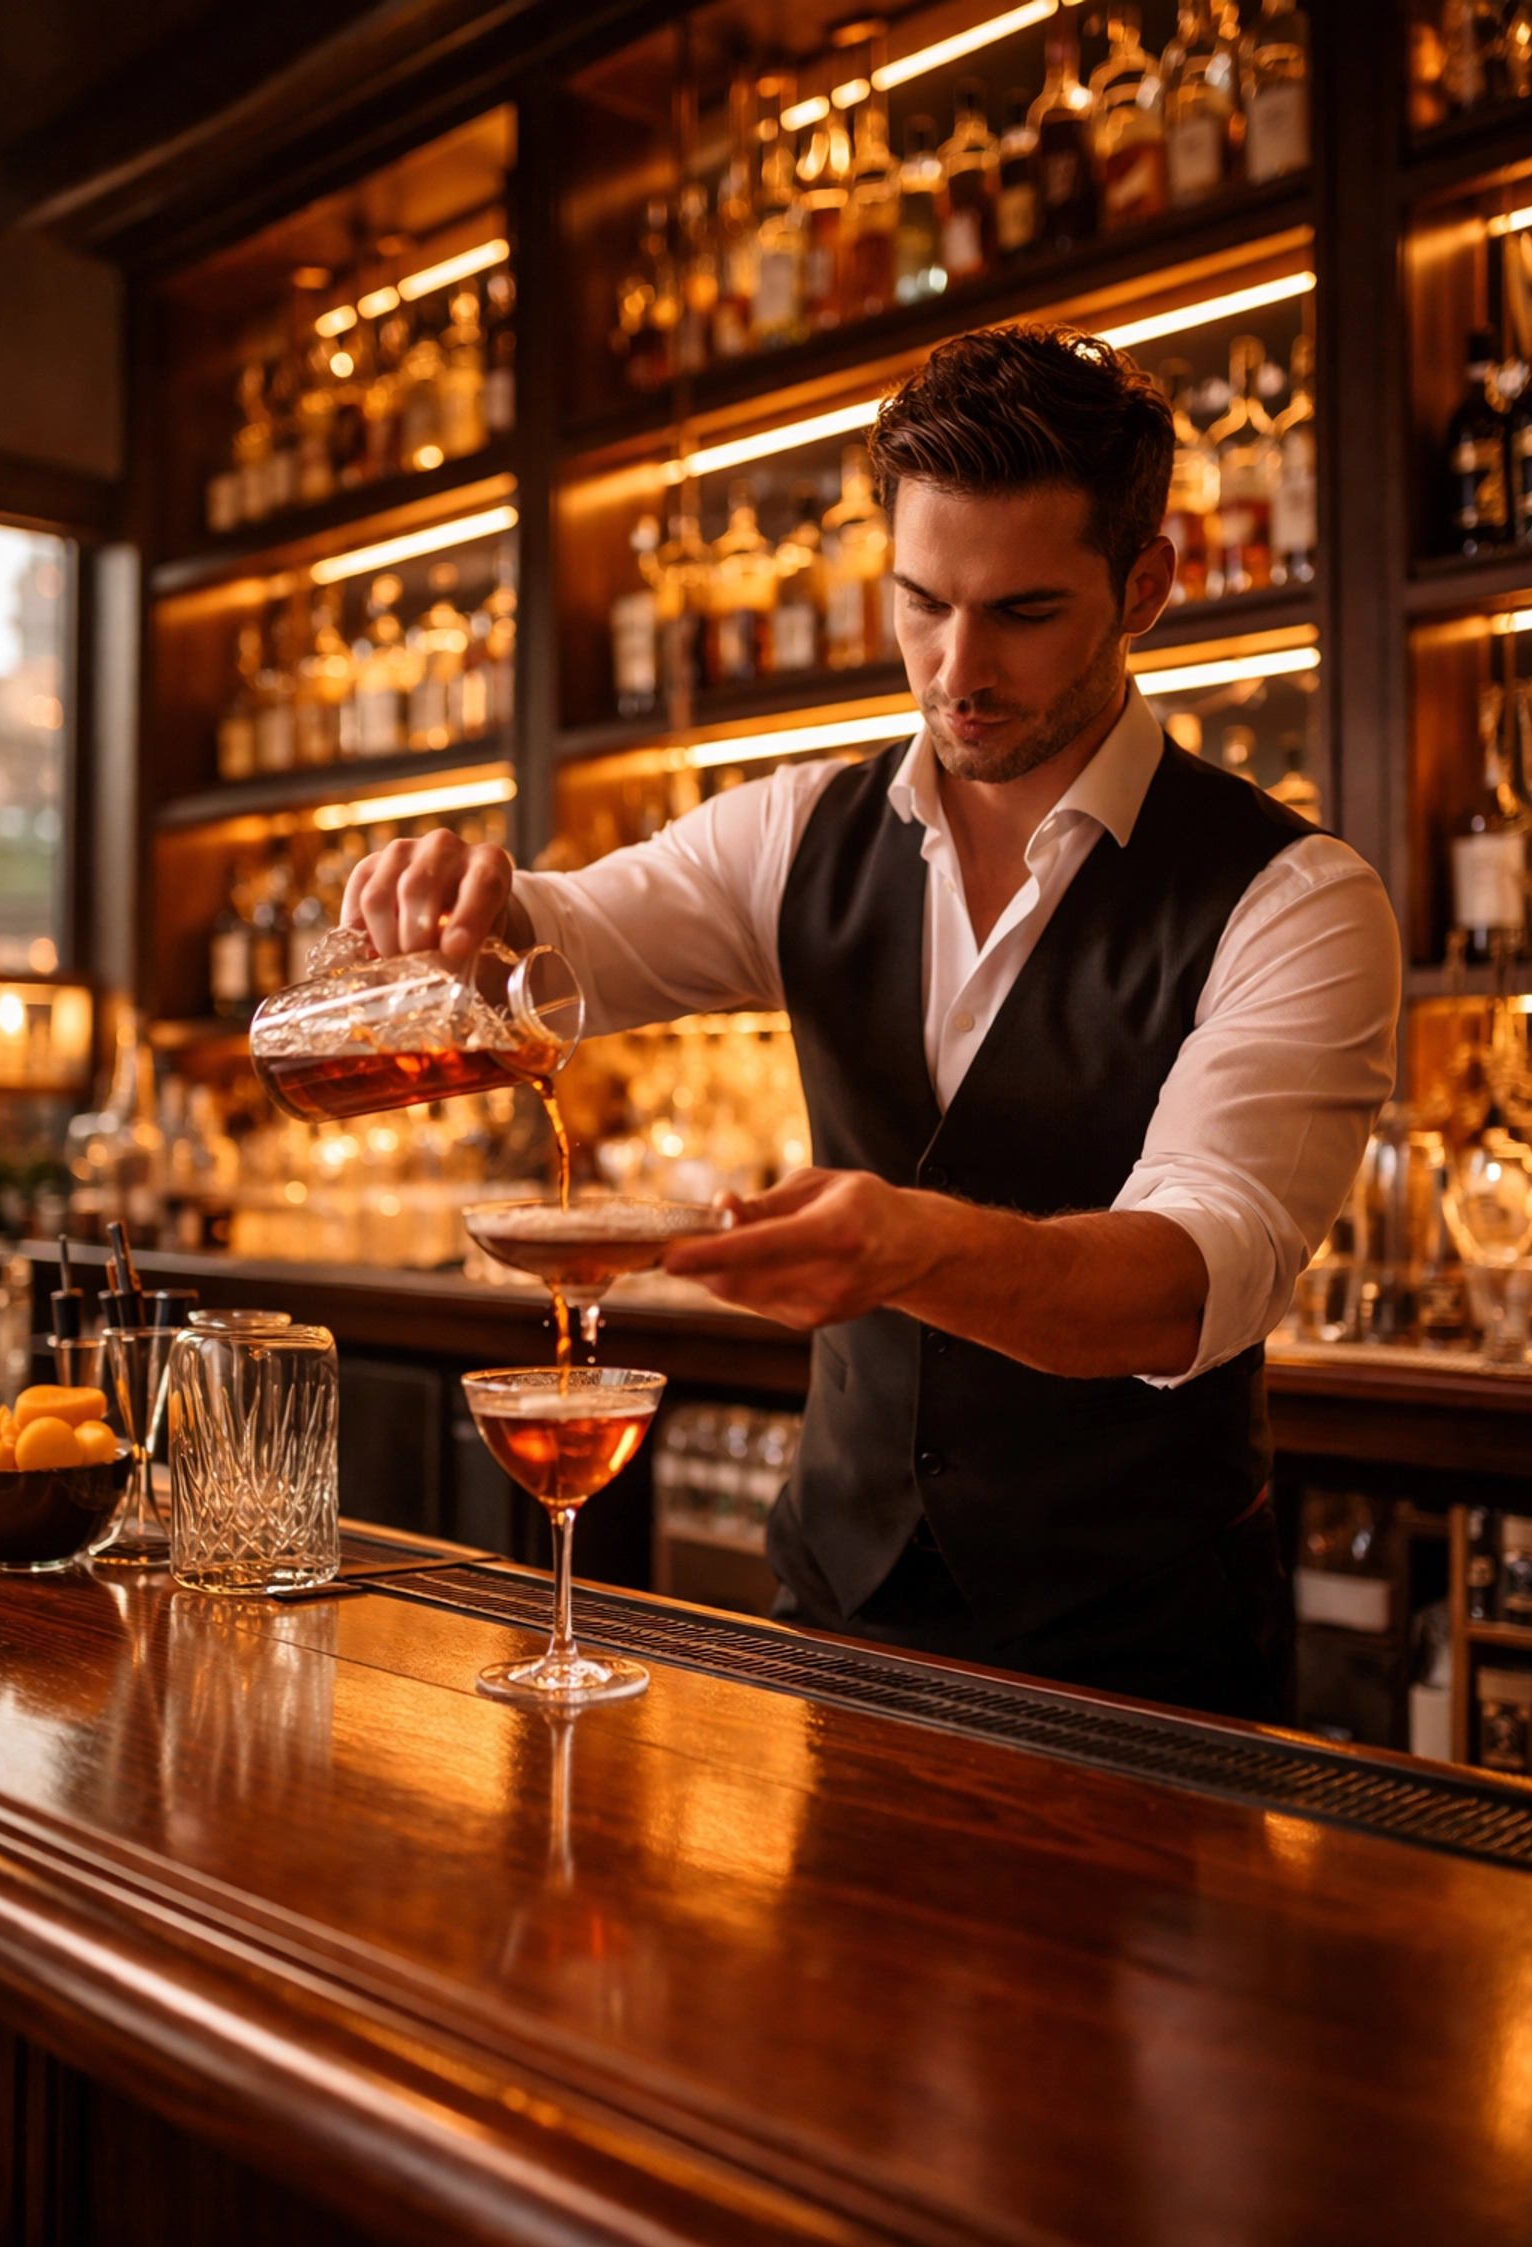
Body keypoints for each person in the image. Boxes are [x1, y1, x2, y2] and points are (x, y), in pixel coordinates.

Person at [344, 323, 1398, 1723]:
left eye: (1022, 612)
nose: (957, 669)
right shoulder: (799, 834)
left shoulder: (1295, 900)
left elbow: (1190, 1276)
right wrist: (461, 906)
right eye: (920, 603)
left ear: (1145, 587)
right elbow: (567, 935)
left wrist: (916, 1247)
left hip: (1144, 1664)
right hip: (836, 1621)